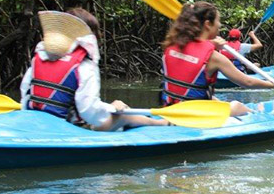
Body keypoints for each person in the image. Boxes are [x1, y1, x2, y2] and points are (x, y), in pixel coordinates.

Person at [20, 9, 170, 130]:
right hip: (70, 128)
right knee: (123, 117)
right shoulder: (83, 65)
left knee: (118, 109)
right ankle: (162, 124)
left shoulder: (39, 58)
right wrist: (111, 107)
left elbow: (25, 96)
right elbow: (90, 113)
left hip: (37, 124)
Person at [161, 1, 274, 116]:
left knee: (215, 100)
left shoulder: (172, 44)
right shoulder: (214, 57)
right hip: (196, 115)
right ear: (208, 24)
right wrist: (272, 84)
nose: (219, 25)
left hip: (170, 108)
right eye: (218, 21)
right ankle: (254, 114)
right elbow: (247, 82)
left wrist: (209, 43)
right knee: (237, 106)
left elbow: (192, 51)